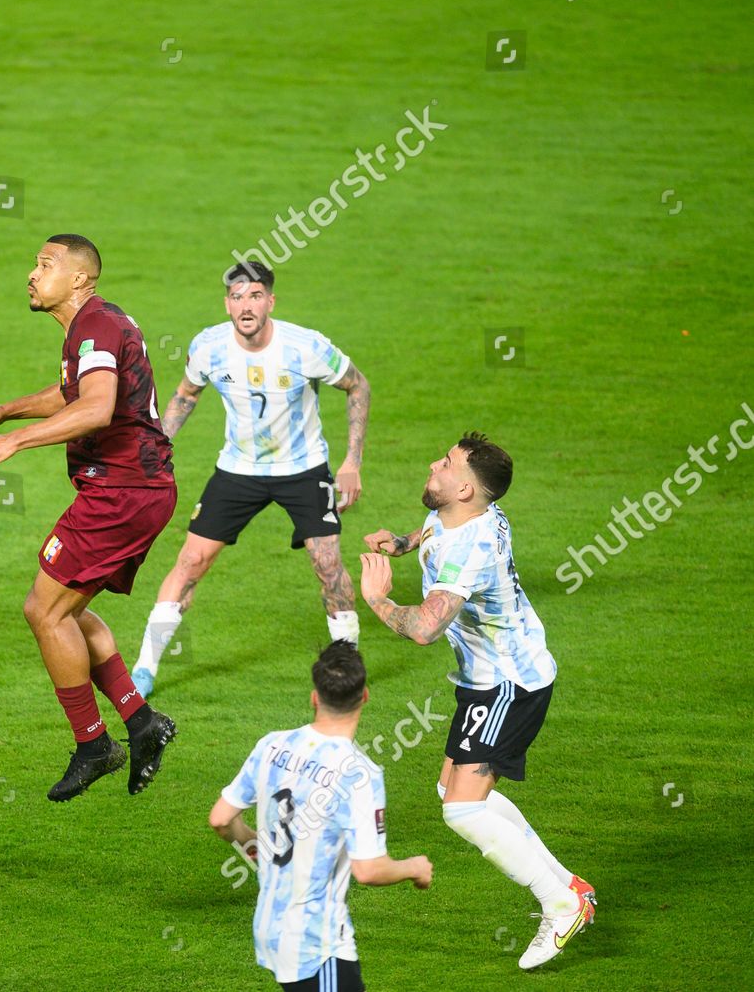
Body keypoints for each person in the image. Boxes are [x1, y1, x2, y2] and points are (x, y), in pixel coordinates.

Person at [358, 432, 594, 970]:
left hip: (509, 683)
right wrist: (402, 542)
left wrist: (377, 600)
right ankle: (569, 887)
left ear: (465, 487)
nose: (432, 465)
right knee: (455, 791)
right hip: (488, 678)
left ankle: (560, 906)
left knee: (462, 808)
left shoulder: (470, 552)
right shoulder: (468, 511)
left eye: (444, 463)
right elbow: (436, 526)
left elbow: (424, 628)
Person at [0, 234, 178, 801]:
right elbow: (73, 393)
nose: (32, 274)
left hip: (123, 491)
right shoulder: (95, 325)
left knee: (44, 610)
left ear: (81, 279)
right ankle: (141, 722)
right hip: (133, 489)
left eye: (46, 264)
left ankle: (94, 744)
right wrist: (6, 409)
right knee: (70, 611)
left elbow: (97, 406)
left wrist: (14, 442)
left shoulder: (95, 325)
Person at [132, 260, 371, 699]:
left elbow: (359, 386)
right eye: (238, 296)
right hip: (238, 470)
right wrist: (157, 448)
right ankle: (144, 670)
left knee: (328, 564)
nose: (247, 304)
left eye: (256, 295)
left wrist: (351, 461)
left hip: (303, 469)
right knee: (190, 562)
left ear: (270, 302)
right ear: (227, 305)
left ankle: (347, 667)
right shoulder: (209, 347)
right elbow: (186, 394)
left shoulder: (306, 347)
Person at [209, 641, 431, 991]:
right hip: (316, 943)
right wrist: (414, 867)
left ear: (315, 697)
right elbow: (369, 869)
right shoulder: (358, 773)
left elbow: (221, 818)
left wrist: (254, 842)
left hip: (269, 927)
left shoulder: (272, 745)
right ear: (365, 697)